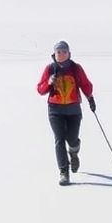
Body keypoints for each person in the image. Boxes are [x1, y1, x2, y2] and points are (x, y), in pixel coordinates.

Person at [36, 40, 95, 186]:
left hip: (73, 110)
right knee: (59, 139)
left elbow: (85, 84)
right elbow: (40, 89)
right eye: (58, 52)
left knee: (72, 139)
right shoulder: (50, 69)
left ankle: (74, 152)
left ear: (69, 53)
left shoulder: (76, 68)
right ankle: (64, 172)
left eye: (64, 51)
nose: (61, 54)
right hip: (55, 110)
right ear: (54, 54)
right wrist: (49, 82)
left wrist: (90, 98)